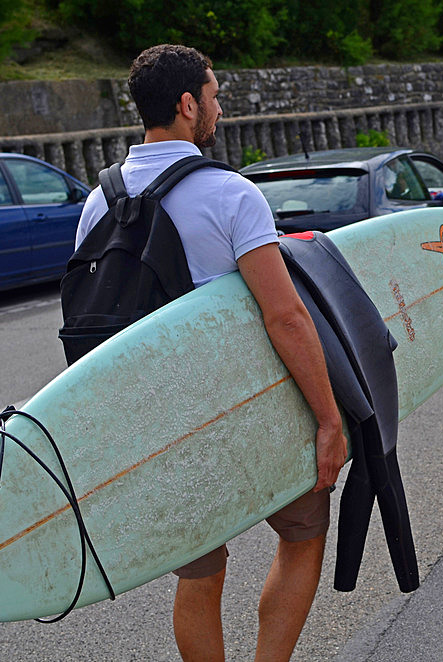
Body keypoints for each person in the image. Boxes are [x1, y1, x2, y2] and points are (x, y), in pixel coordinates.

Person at [73, 44, 347, 662]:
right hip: (247, 406)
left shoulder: (100, 201)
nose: (219, 108)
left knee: (198, 568)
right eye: (215, 95)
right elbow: (285, 317)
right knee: (303, 532)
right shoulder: (229, 194)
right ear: (188, 104)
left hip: (162, 422)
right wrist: (329, 418)